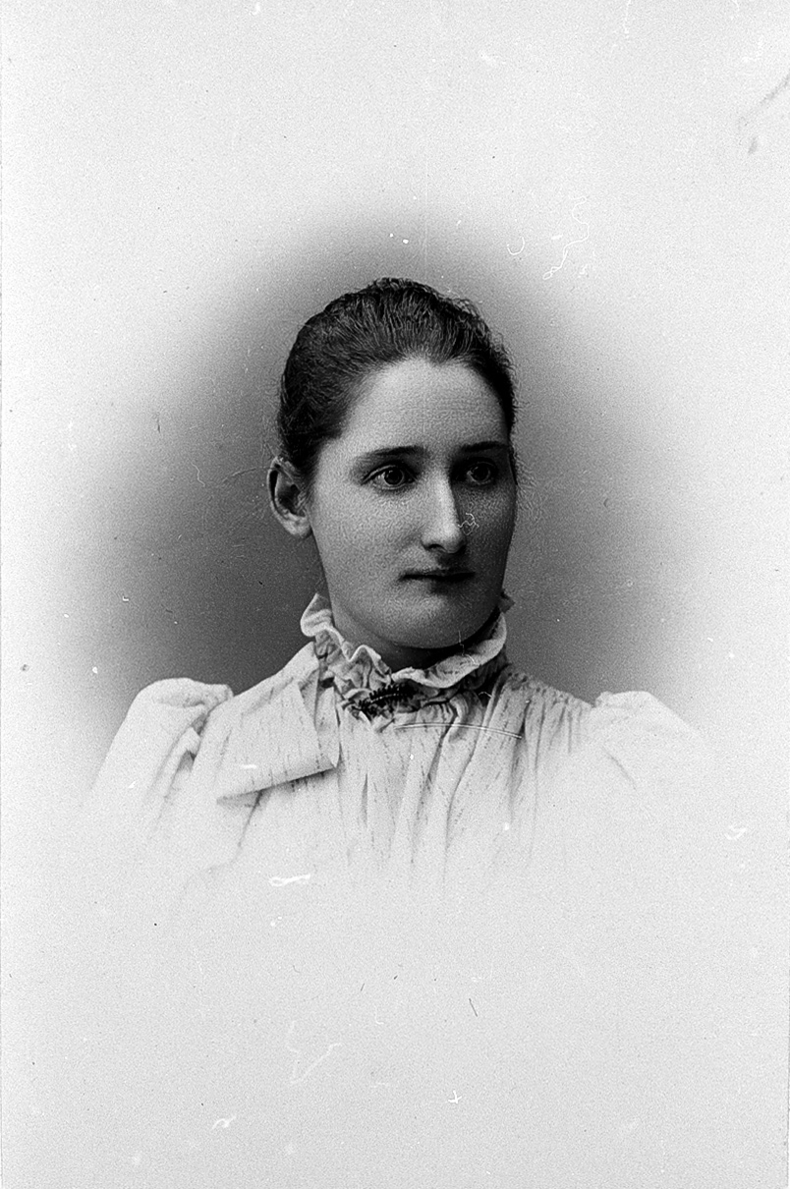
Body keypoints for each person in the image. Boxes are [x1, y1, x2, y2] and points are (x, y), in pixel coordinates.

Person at [56, 278, 724, 1187]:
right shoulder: (187, 777)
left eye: (479, 472)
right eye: (394, 475)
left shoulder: (622, 781)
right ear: (293, 496)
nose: (449, 528)